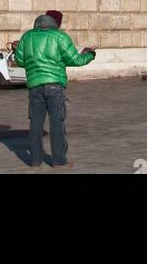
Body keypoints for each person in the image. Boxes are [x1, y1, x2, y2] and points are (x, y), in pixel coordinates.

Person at [12, 13, 96, 169]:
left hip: (35, 86)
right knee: (57, 124)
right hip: (55, 87)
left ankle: (35, 161)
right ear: (54, 24)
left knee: (35, 125)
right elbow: (75, 60)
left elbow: (20, 61)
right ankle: (59, 161)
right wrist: (90, 55)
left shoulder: (27, 37)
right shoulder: (60, 37)